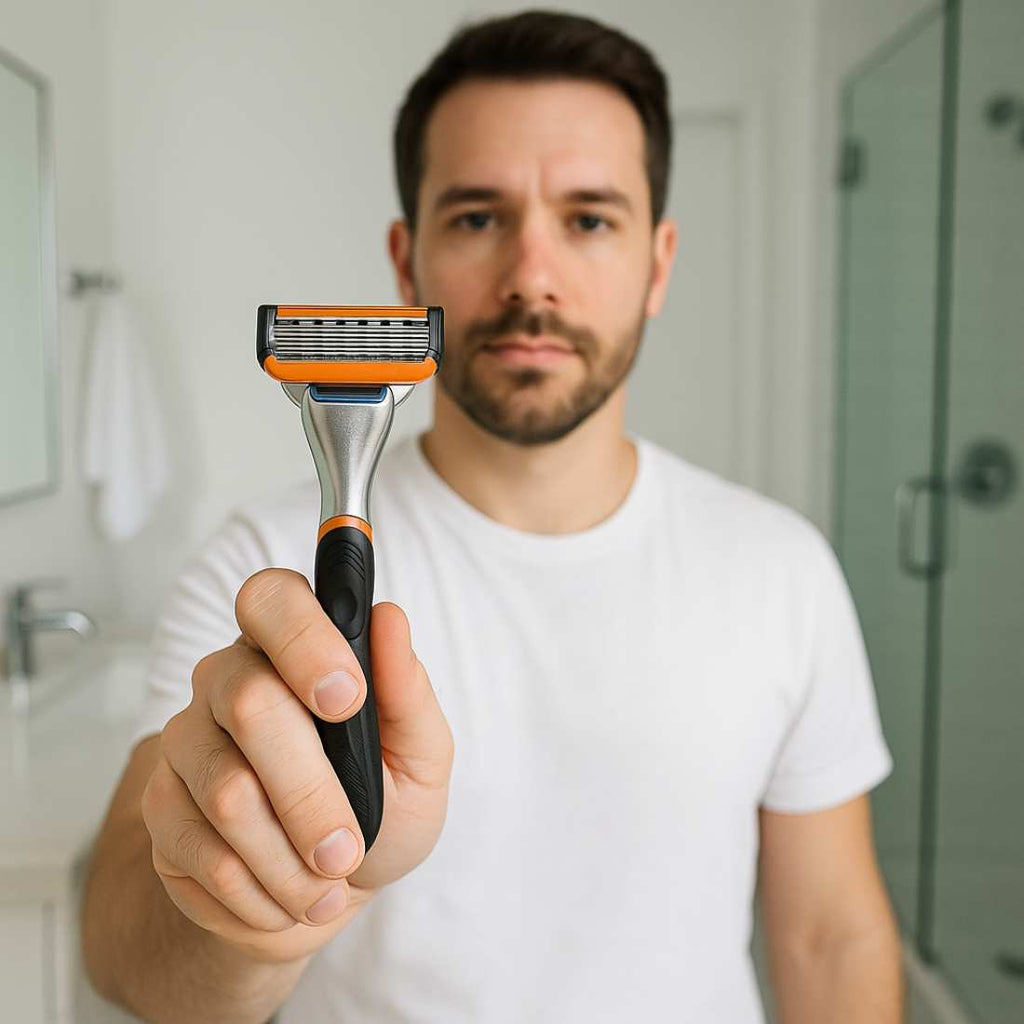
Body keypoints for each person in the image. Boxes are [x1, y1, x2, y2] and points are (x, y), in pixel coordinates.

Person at [81, 10, 903, 1023]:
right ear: (405, 259)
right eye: (476, 217)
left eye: (589, 219)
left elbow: (830, 937)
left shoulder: (781, 568)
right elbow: (122, 950)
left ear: (659, 261)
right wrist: (254, 916)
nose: (531, 276)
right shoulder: (261, 573)